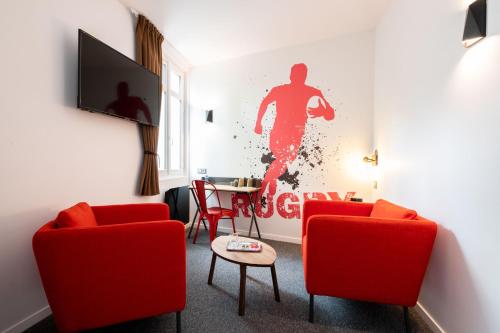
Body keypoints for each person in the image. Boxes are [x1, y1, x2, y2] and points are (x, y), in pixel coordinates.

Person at [254, 63, 335, 196]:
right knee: (283, 159)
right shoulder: (280, 90)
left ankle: (271, 180)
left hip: (296, 135)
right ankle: (263, 188)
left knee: (283, 160)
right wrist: (258, 124)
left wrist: (323, 112)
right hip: (279, 133)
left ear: (305, 76)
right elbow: (264, 103)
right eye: (297, 74)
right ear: (291, 75)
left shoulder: (313, 93)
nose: (299, 77)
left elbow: (331, 115)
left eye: (302, 74)